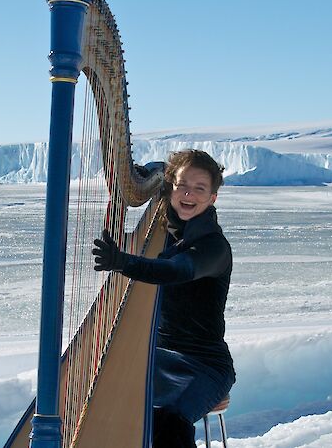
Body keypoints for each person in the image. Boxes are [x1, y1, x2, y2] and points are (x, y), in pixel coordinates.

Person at [93, 149, 235, 448]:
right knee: (91, 395)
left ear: (212, 198)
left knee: (167, 423)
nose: (189, 194)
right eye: (182, 185)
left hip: (203, 365)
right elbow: (161, 171)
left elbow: (174, 270)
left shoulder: (213, 247)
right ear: (170, 188)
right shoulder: (165, 228)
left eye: (200, 189)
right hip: (156, 357)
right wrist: (149, 173)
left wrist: (123, 262)